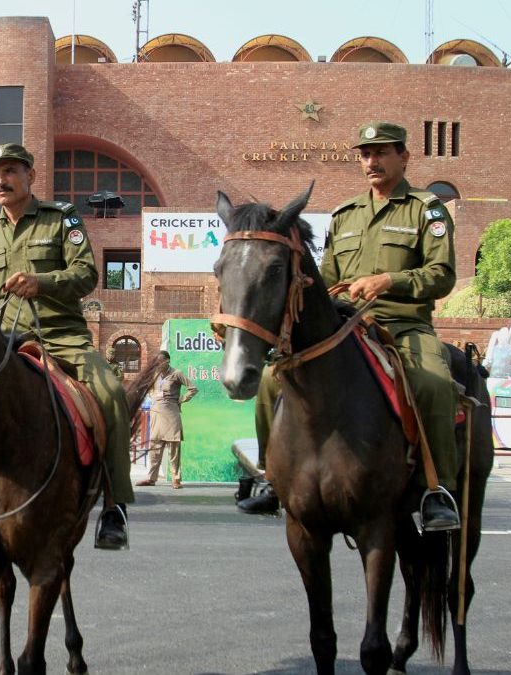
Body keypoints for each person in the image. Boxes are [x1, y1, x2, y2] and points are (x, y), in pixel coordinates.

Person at [0, 142, 134, 556]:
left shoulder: (62, 219)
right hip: (3, 345)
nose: (1, 180)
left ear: (30, 176)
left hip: (62, 337)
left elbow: (86, 274)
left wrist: (43, 282)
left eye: (10, 171)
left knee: (108, 390)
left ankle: (114, 506)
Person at [246, 121, 462, 532]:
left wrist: (388, 281)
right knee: (271, 380)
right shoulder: (345, 215)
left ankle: (439, 490)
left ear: (404, 157)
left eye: (381, 152)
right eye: (365, 154)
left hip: (403, 325)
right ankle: (270, 478)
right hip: (346, 327)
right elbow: (325, 277)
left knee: (433, 382)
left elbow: (442, 275)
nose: (371, 161)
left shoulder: (425, 209)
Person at [136, 350, 197, 488]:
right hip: (156, 414)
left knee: (174, 448)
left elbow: (193, 389)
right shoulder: (155, 375)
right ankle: (151, 478)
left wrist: (181, 399)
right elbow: (148, 389)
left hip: (171, 414)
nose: (158, 364)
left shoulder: (176, 373)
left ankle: (176, 479)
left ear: (167, 361)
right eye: (156, 362)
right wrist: (153, 396)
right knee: (155, 448)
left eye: (160, 362)